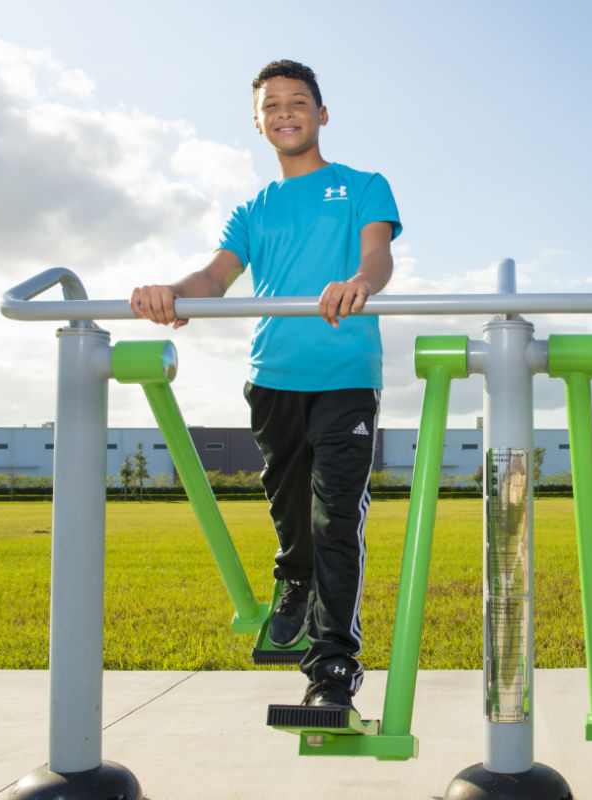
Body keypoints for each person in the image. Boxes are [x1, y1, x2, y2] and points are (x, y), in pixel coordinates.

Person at [131, 59, 401, 715]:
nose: (285, 111)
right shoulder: (254, 209)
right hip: (271, 375)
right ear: (258, 122)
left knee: (337, 515)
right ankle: (293, 579)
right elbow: (213, 278)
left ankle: (333, 664)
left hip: (344, 375)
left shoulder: (363, 185)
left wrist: (361, 282)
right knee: (288, 507)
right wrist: (174, 293)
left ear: (321, 114)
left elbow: (377, 255)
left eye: (298, 101)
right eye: (272, 104)